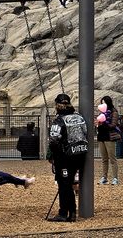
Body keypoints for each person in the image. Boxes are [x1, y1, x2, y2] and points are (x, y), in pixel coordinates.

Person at [47, 93, 89, 223]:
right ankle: (69, 212)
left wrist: (54, 156)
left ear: (57, 105)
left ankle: (66, 213)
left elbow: (54, 141)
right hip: (81, 155)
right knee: (69, 183)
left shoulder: (59, 120)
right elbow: (86, 132)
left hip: (65, 157)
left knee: (64, 185)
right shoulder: (79, 117)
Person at [96, 95, 121, 185]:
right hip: (101, 137)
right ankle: (104, 177)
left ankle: (115, 178)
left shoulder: (114, 112)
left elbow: (113, 125)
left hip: (109, 137)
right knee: (104, 159)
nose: (103, 105)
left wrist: (105, 123)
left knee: (112, 158)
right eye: (102, 103)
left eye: (104, 103)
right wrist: (98, 124)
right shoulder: (101, 113)